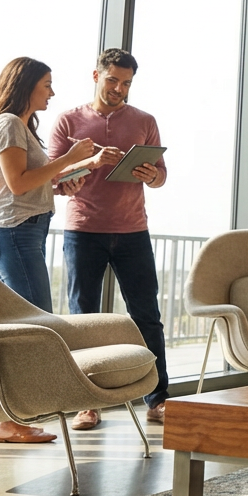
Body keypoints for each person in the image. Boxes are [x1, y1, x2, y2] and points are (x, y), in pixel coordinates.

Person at [0, 56, 98, 444]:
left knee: (17, 328)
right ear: (26, 85)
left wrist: (59, 185)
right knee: (32, 330)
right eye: (47, 84)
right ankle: (9, 423)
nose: (52, 92)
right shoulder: (9, 124)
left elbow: (29, 182)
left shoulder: (17, 126)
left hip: (18, 234)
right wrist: (70, 158)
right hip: (14, 235)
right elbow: (17, 183)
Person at [48, 48, 169, 429]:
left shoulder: (145, 120)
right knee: (83, 317)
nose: (119, 89)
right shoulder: (67, 121)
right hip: (84, 231)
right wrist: (90, 163)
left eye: (127, 83)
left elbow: (162, 175)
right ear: (96, 75)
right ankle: (87, 403)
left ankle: (159, 399)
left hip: (134, 230)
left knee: (147, 315)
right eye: (113, 80)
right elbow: (52, 179)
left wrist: (151, 174)